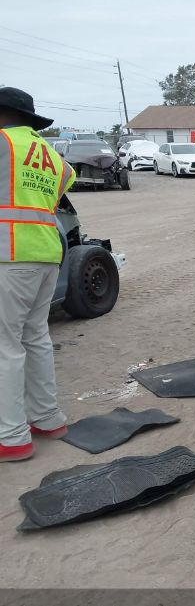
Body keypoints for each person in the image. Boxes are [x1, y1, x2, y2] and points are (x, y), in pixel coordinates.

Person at [0, 87, 75, 462]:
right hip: (47, 252)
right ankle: (47, 418)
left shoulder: (2, 143)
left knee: (5, 345)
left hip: (9, 254)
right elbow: (64, 185)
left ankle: (11, 438)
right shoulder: (54, 157)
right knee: (35, 337)